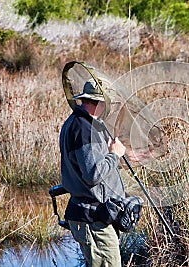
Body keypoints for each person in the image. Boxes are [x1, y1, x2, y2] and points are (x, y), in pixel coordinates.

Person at [59, 78, 127, 267]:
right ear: (101, 102)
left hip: (91, 218)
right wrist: (114, 155)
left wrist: (111, 153)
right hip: (93, 221)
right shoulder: (83, 128)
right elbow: (92, 175)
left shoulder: (78, 123)